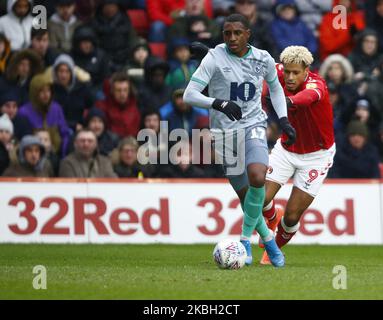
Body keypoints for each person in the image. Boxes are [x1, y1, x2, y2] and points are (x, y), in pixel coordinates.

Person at [183, 13, 296, 267]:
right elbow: (189, 95)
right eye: (227, 33)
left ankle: (245, 241)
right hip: (224, 134)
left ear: (248, 34)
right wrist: (218, 103)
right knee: (247, 197)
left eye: (237, 33)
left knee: (257, 176)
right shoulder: (213, 57)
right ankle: (268, 241)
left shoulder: (263, 58)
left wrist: (284, 120)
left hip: (254, 125)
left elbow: (276, 89)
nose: (232, 38)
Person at [260, 46, 336, 265]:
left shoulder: (317, 84)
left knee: (292, 216)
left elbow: (306, 97)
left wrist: (286, 102)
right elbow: (249, 63)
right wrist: (211, 53)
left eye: (296, 72)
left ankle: (273, 249)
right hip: (286, 149)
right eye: (287, 72)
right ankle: (273, 218)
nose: (290, 77)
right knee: (260, 199)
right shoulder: (278, 71)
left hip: (317, 156)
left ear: (306, 70)